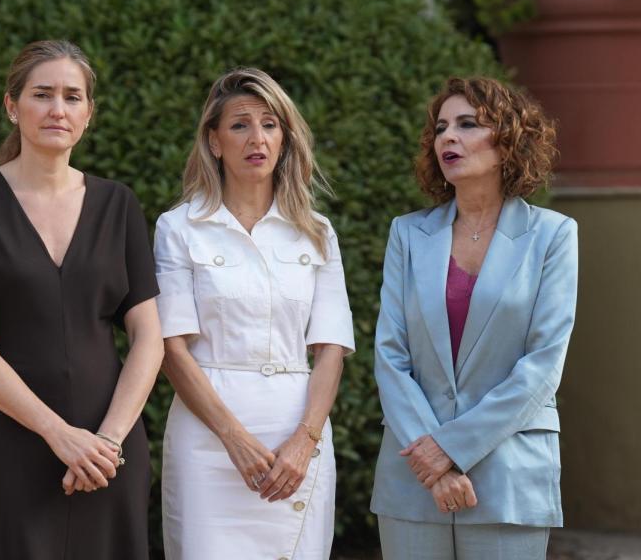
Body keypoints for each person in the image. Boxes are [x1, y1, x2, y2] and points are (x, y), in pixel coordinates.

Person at [0, 40, 163, 560]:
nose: (58, 109)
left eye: (72, 97)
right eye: (42, 94)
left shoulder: (118, 204)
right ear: (12, 106)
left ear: (88, 113)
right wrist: (59, 434)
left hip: (110, 453)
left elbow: (149, 337)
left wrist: (107, 442)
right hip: (12, 449)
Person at [372, 76, 577, 560]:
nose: (448, 136)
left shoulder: (553, 235)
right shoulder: (407, 234)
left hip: (509, 475)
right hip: (413, 474)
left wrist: (451, 450)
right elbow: (390, 355)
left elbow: (543, 365)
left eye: (467, 124)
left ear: (507, 140)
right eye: (441, 128)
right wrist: (432, 460)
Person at [154, 68, 355, 560]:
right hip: (207, 441)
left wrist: (306, 441)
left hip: (297, 438)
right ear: (214, 141)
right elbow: (171, 349)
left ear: (284, 140)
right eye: (240, 125)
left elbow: (331, 348)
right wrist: (234, 438)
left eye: (269, 125)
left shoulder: (317, 232)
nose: (257, 138)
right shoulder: (179, 228)